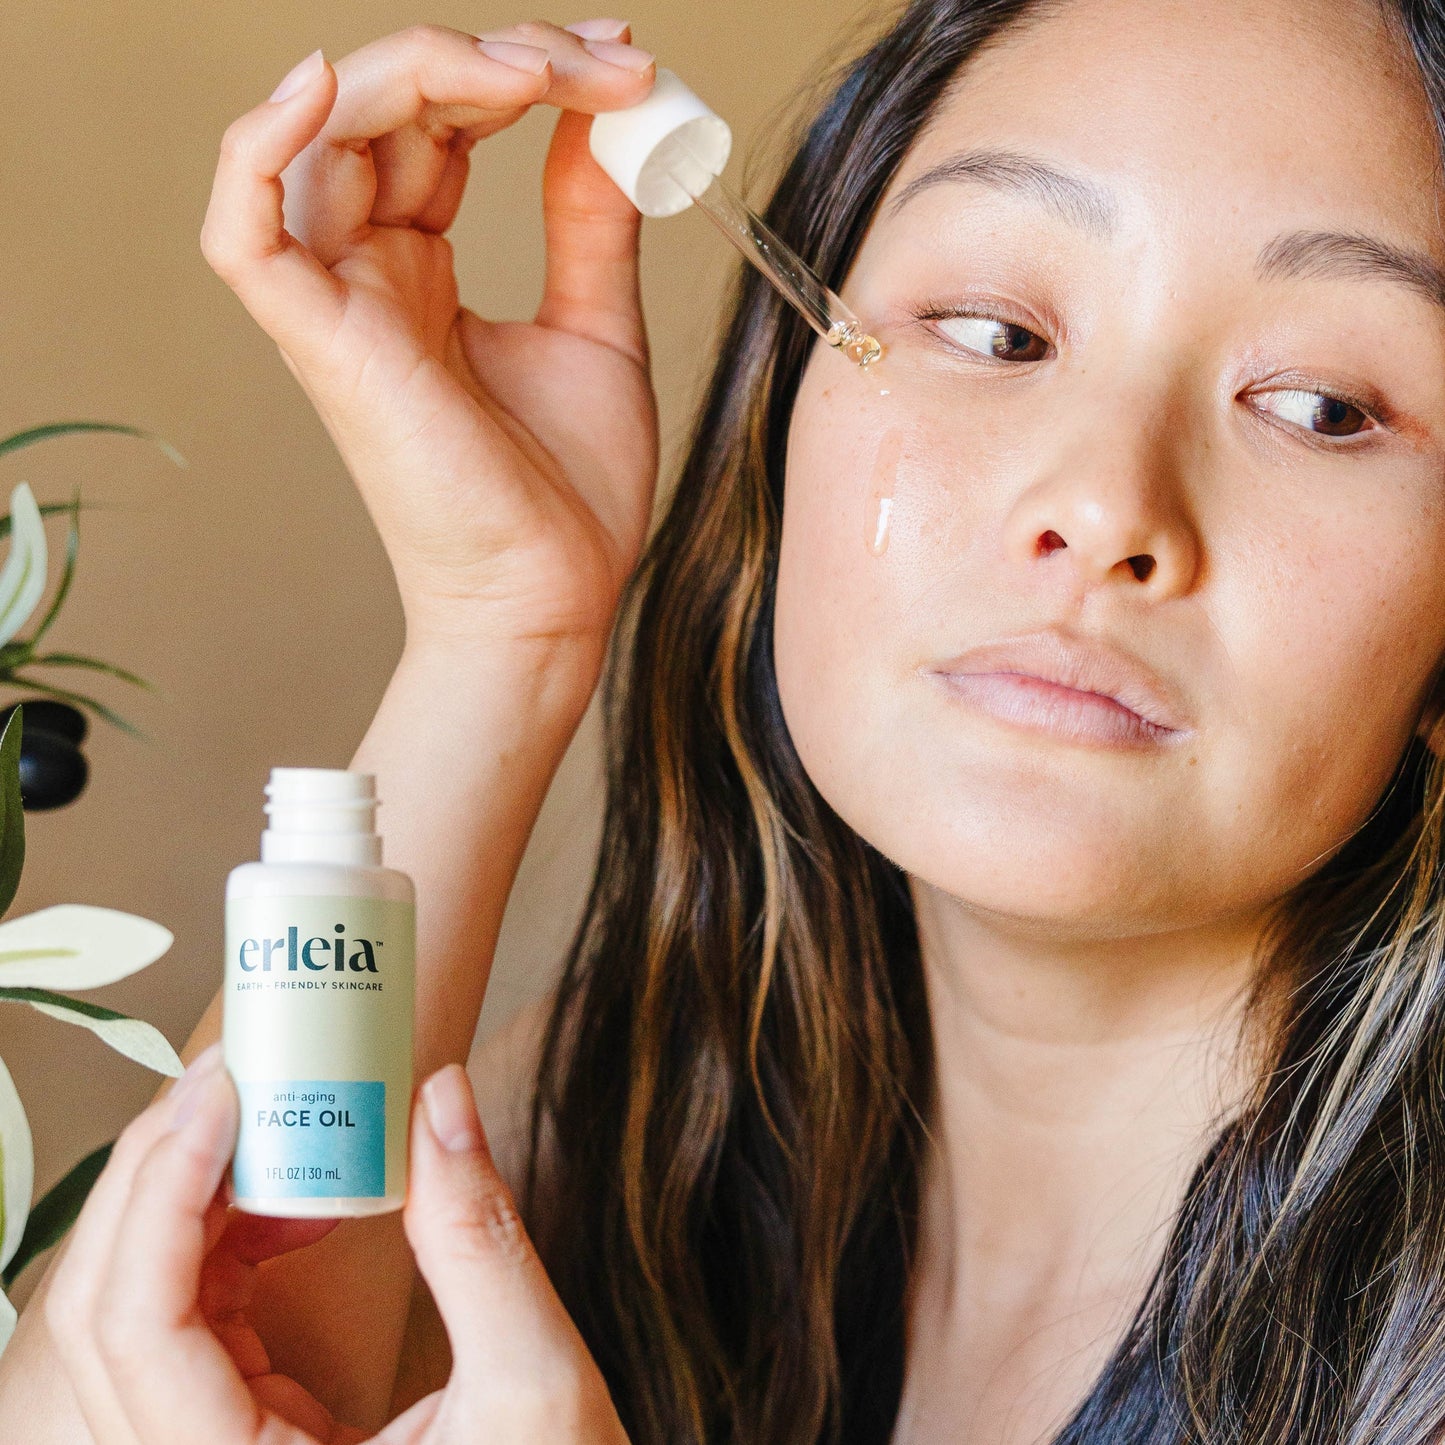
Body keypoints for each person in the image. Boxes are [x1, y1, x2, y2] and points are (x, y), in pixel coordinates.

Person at [4, 0, 1445, 1439]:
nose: (1101, 504)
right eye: (997, 332)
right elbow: (161, 1373)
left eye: (1321, 407)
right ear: (778, 412)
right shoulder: (634, 1132)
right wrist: (500, 622)